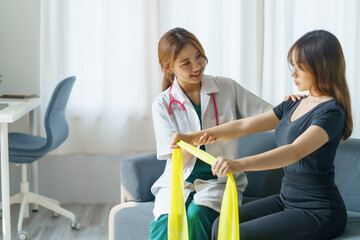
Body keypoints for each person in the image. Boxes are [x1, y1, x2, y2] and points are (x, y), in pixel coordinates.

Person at [171, 29, 352, 240]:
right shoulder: (293, 104)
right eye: (292, 66)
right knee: (221, 224)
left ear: (322, 69)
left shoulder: (331, 112)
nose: (293, 74)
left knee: (241, 235)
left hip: (319, 211)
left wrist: (239, 164)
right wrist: (194, 136)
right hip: (286, 199)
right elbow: (244, 125)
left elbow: (294, 152)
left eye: (300, 69)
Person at [150, 27, 302, 240]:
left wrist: (290, 105)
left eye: (199, 57)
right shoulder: (162, 105)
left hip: (218, 181)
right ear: (169, 68)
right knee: (166, 223)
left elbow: (270, 115)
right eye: (186, 63)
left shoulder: (226, 87)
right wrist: (192, 144)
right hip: (178, 183)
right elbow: (178, 162)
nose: (196, 66)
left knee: (197, 215)